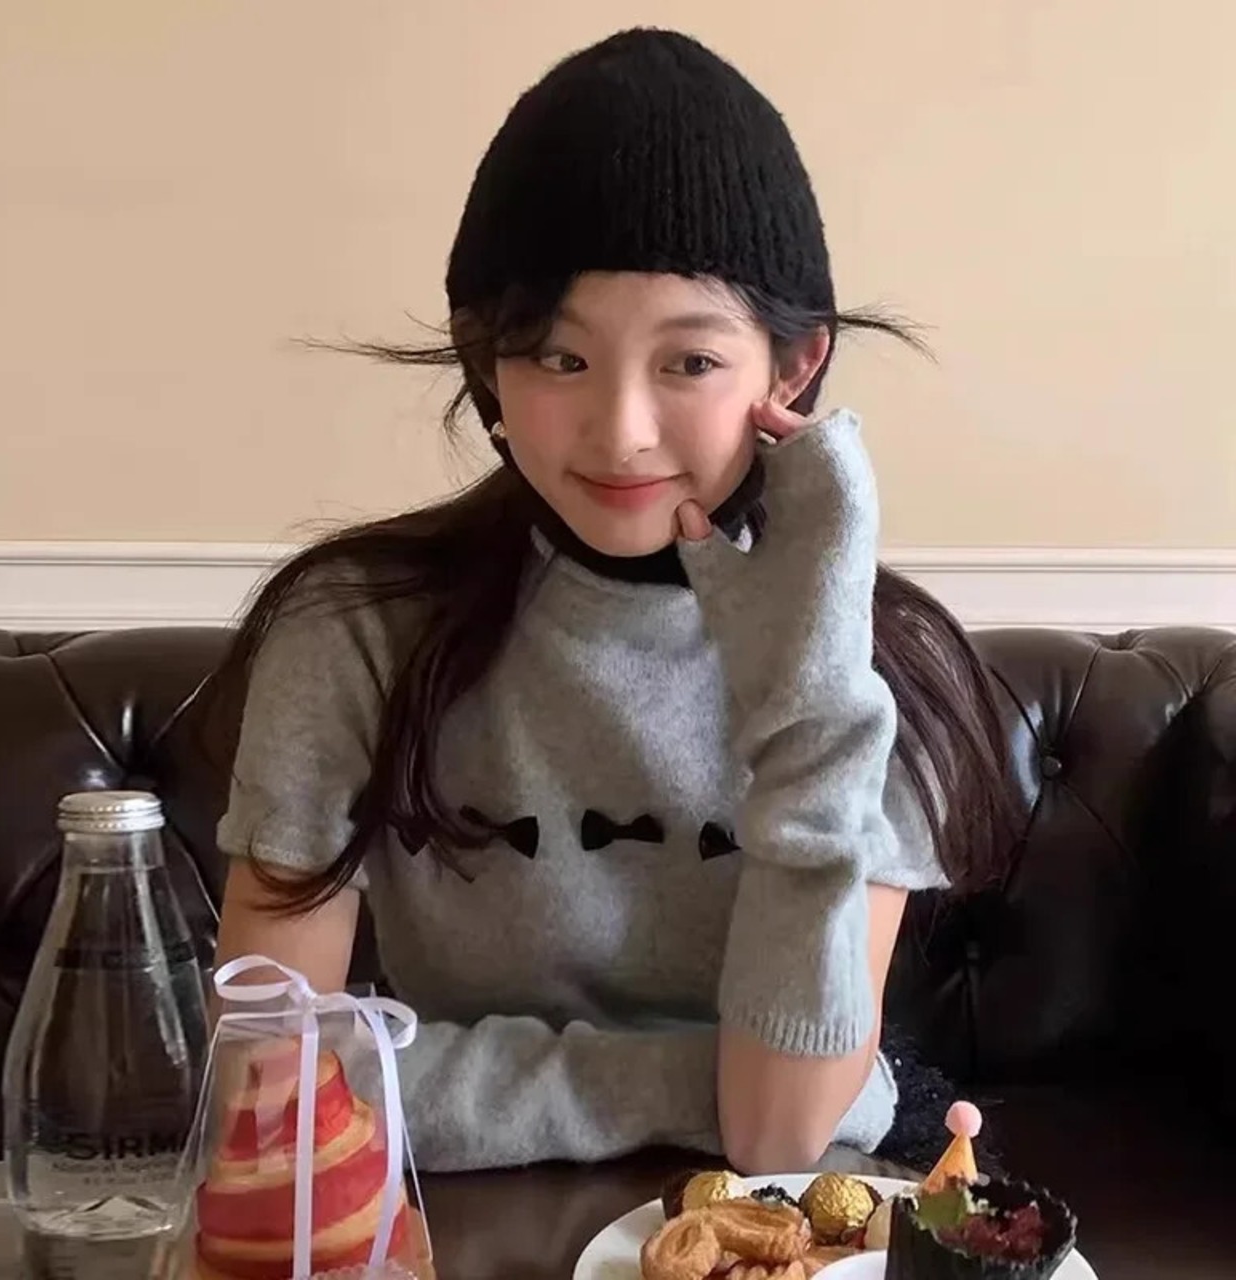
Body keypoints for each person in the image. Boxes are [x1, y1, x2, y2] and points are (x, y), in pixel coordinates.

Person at [209, 28, 1015, 1175]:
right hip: (453, 1220)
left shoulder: (880, 662)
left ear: (791, 367)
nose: (621, 430)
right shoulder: (351, 627)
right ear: (485, 360)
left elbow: (778, 1134)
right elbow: (267, 1085)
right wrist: (695, 1079)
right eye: (556, 357)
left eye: (689, 362)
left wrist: (811, 696)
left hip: (777, 1222)